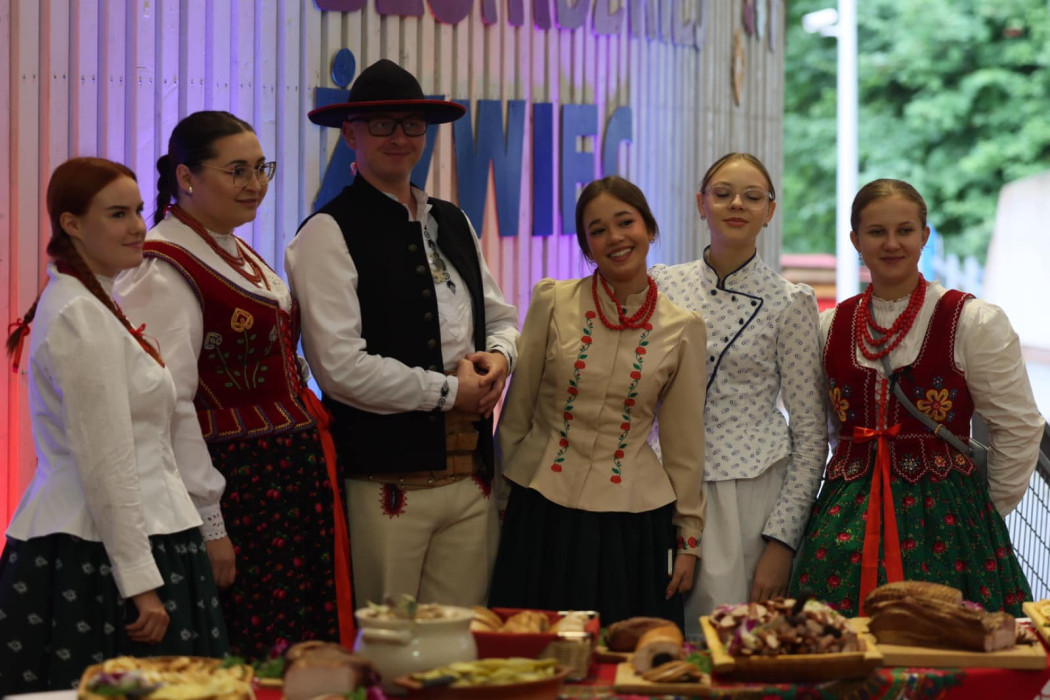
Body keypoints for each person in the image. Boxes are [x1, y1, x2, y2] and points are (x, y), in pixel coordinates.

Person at [115, 111, 353, 659]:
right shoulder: (164, 266)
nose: (256, 184)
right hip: (240, 485)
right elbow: (170, 404)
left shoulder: (230, 247)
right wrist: (209, 521)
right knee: (255, 641)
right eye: (238, 171)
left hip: (283, 480)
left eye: (261, 168)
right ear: (186, 177)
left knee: (298, 641)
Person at [286, 59, 520, 608]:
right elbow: (340, 369)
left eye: (412, 124)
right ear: (351, 134)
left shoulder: (453, 219)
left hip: (471, 477)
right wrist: (451, 393)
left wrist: (499, 359)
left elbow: (501, 318)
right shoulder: (327, 232)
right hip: (384, 484)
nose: (399, 137)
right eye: (382, 124)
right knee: (388, 639)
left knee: (463, 639)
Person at [0, 158, 227, 692]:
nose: (137, 227)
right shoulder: (79, 313)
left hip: (139, 533)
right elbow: (106, 462)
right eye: (118, 214)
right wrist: (140, 584)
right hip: (103, 549)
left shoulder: (96, 300)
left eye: (139, 211)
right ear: (72, 224)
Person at [790, 178, 1044, 616]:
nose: (892, 243)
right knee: (835, 640)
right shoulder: (830, 326)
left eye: (904, 230)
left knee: (948, 639)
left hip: (948, 520)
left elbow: (1019, 426)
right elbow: (834, 430)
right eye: (876, 231)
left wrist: (981, 513)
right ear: (855, 240)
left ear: (924, 236)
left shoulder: (972, 321)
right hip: (847, 517)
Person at [489, 176, 707, 627]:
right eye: (598, 230)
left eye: (625, 222)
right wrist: (502, 500)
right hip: (540, 508)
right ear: (586, 246)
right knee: (531, 647)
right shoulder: (552, 300)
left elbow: (684, 445)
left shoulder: (683, 327)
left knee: (622, 648)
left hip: (631, 525)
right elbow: (517, 412)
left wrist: (688, 539)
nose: (615, 238)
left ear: (649, 228)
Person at [650, 153, 827, 635]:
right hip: (660, 484)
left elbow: (811, 435)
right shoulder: (661, 285)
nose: (736, 205)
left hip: (748, 496)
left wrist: (782, 542)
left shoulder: (790, 302)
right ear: (700, 203)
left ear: (770, 211)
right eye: (723, 193)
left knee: (735, 642)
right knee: (658, 637)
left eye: (752, 197)